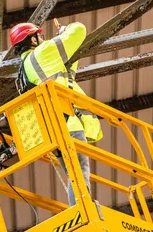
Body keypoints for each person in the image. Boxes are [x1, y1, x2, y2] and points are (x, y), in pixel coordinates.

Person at [9, 20, 102, 206]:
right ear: (32, 40)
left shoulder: (25, 71)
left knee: (74, 174)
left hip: (52, 129)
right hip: (67, 123)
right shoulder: (42, 53)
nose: (42, 39)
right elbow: (80, 29)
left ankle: (81, 208)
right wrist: (65, 30)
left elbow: (66, 74)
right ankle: (83, 210)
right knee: (79, 169)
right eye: (39, 36)